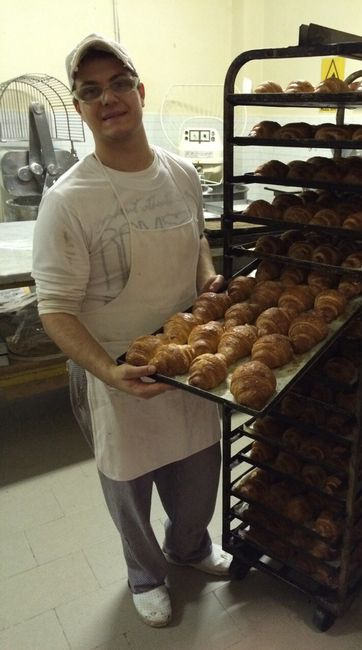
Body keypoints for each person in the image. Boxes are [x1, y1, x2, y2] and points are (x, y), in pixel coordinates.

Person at [31, 33, 231, 628]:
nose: (108, 99)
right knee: (129, 483)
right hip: (114, 366)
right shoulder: (68, 200)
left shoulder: (182, 174)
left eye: (119, 84)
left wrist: (207, 279)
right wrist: (107, 371)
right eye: (91, 91)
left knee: (199, 468)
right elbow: (55, 309)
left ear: (141, 91)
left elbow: (197, 241)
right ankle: (145, 573)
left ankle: (189, 547)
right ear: (79, 107)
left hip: (188, 356)